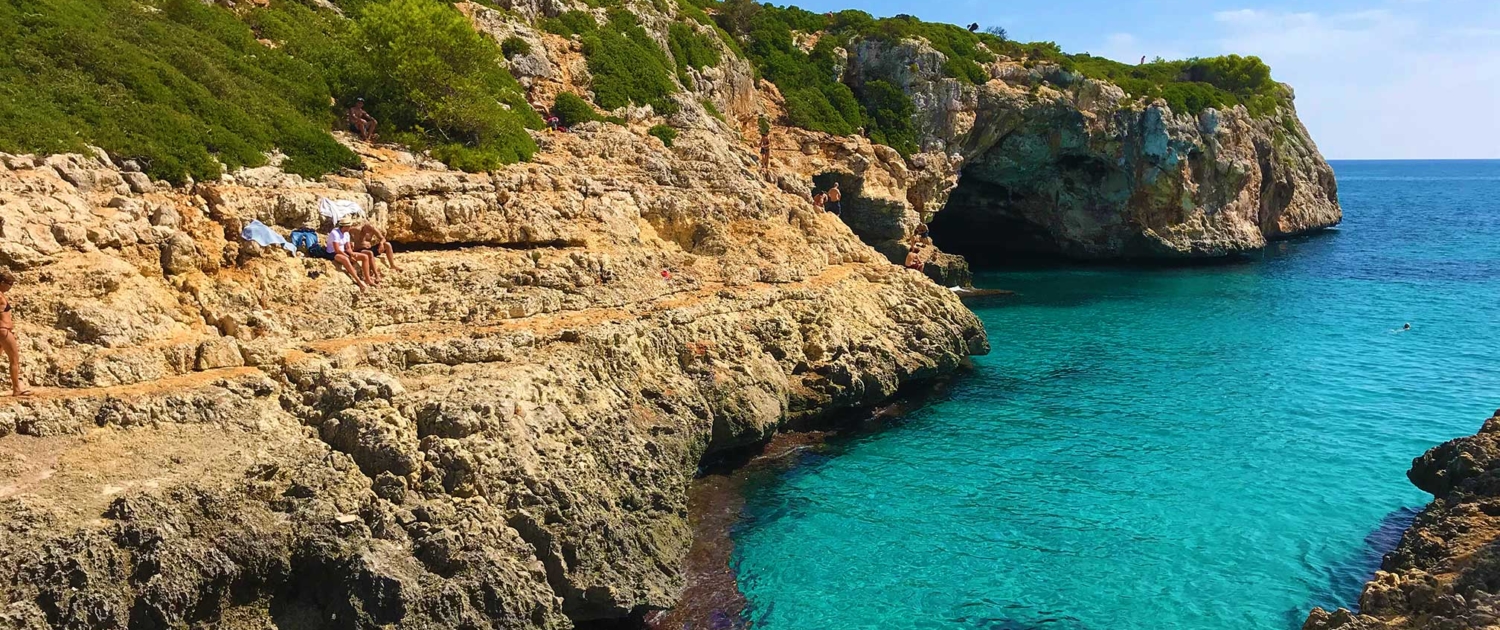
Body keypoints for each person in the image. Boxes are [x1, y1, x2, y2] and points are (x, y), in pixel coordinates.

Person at [0, 270, 30, 397]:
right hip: (3, 331)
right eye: (10, 283)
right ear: (2, 282)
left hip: (3, 330)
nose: (11, 287)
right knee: (14, 359)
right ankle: (16, 388)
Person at [321, 217, 372, 291]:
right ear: (344, 226)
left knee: (365, 257)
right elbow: (337, 250)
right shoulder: (335, 233)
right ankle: (358, 281)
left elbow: (348, 247)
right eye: (348, 226)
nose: (350, 227)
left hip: (343, 252)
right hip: (332, 253)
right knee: (345, 259)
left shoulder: (346, 234)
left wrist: (352, 254)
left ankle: (368, 279)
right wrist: (348, 257)